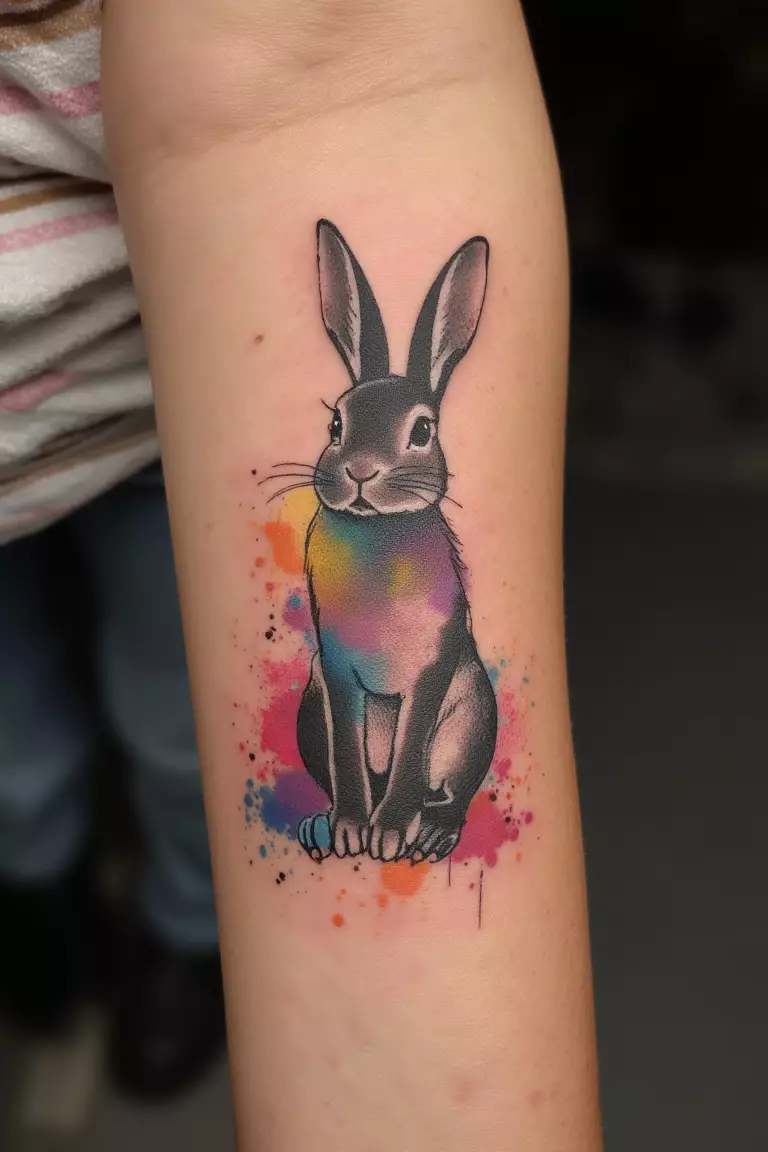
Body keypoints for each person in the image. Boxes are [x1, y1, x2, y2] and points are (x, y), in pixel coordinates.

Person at [100, 1, 603, 1149]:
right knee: (30, 737)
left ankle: (192, 919)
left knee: (163, 711)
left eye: (408, 441)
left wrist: (393, 816)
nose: (363, 474)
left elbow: (337, 70)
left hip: (142, 453)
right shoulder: (329, 533)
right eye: (346, 440)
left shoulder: (427, 552)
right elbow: (334, 675)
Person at [0, 2, 222, 1099]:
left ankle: (190, 928)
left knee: (188, 724)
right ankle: (44, 894)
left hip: (149, 407)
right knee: (10, 745)